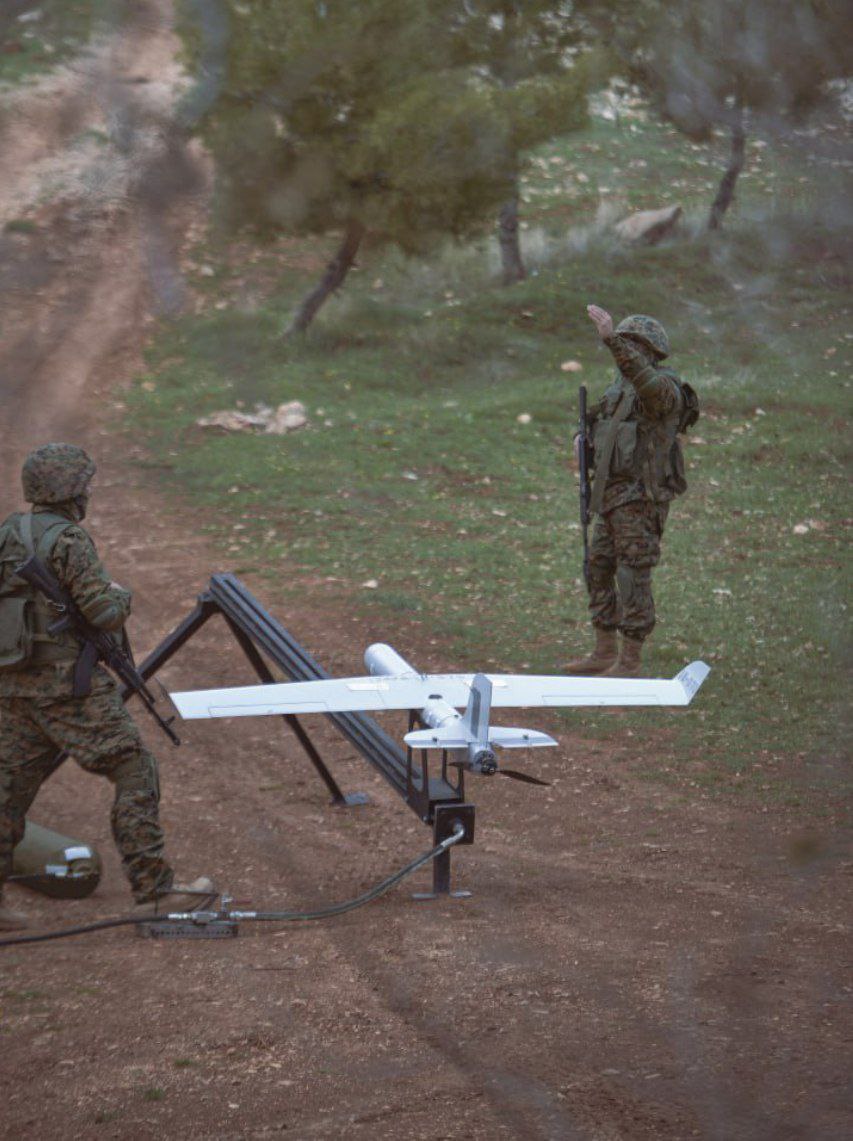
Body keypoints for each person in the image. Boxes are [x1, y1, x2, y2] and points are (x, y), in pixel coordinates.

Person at [0, 443, 213, 930]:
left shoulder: (8, 532)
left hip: (13, 687)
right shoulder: (70, 541)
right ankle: (153, 891)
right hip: (66, 690)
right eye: (85, 485)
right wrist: (123, 598)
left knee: (6, 792)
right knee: (134, 768)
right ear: (72, 491)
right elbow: (103, 613)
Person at [565, 306, 698, 678]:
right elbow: (603, 427)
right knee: (599, 566)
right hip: (610, 494)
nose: (623, 353)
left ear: (648, 350)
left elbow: (647, 384)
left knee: (632, 573)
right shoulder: (619, 392)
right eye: (622, 345)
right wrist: (582, 438)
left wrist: (611, 339)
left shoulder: (663, 388)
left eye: (629, 345)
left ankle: (630, 660)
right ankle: (604, 650)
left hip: (641, 498)